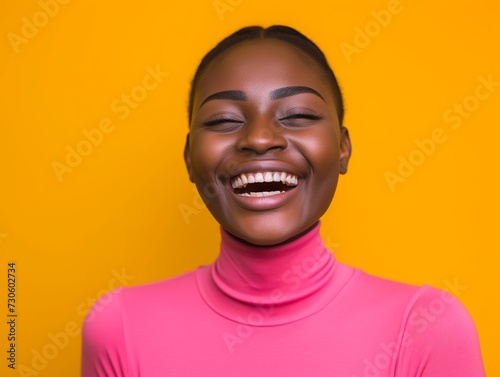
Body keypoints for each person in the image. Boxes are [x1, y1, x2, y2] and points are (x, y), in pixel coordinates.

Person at [81, 25, 486, 376]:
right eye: (224, 120)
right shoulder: (120, 328)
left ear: (343, 148)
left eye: (298, 116)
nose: (259, 138)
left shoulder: (426, 328)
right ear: (189, 158)